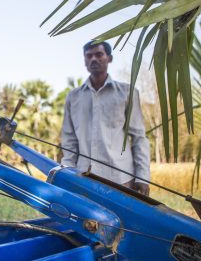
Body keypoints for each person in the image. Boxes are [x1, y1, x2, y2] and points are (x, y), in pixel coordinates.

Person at [60, 40, 150, 195]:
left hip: (121, 179)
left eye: (99, 54)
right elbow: (69, 139)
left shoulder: (127, 93)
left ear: (109, 58)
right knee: (86, 220)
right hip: (83, 177)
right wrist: (67, 172)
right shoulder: (73, 97)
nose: (94, 59)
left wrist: (142, 177)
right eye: (89, 56)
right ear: (85, 61)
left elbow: (139, 138)